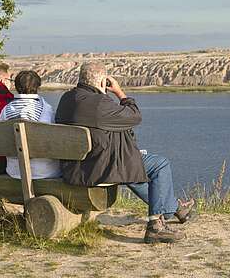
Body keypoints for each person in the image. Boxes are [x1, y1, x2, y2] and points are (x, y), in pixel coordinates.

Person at [55, 62, 196, 244]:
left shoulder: (66, 99)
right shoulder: (100, 103)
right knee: (159, 164)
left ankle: (175, 208)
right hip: (98, 168)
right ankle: (155, 227)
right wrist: (119, 92)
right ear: (102, 81)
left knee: (132, 168)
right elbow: (135, 116)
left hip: (74, 167)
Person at [0, 70, 61, 179]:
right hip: (42, 171)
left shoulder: (5, 110)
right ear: (37, 86)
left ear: (17, 87)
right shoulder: (46, 110)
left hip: (14, 171)